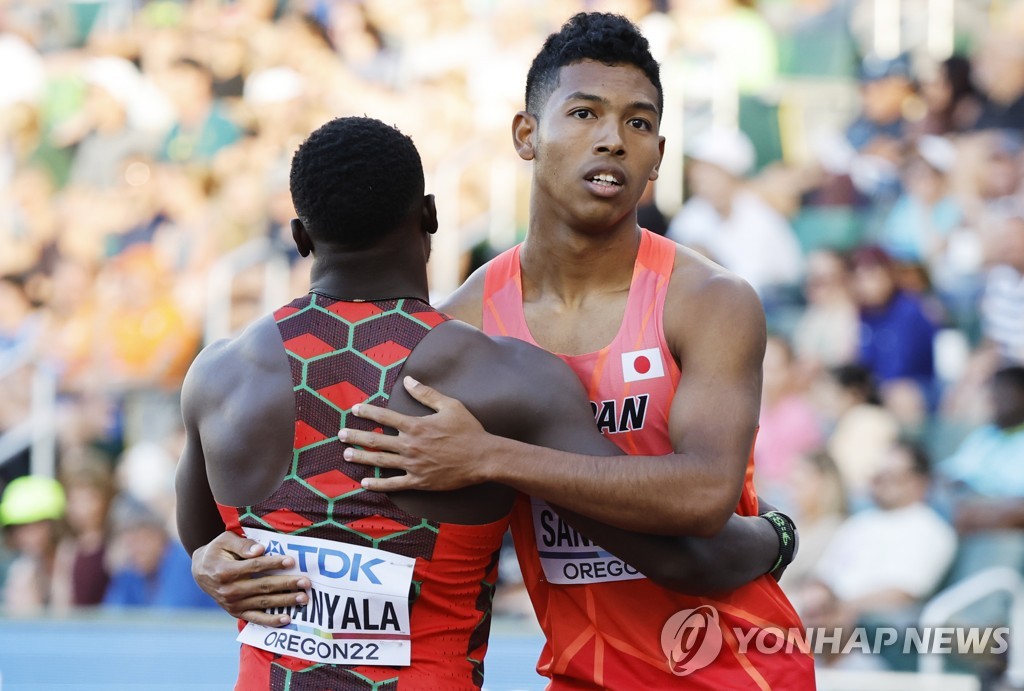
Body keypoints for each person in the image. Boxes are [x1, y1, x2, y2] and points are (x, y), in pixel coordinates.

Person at [191, 14, 813, 688]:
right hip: (583, 667)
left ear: (659, 155)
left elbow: (703, 501)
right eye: (584, 113)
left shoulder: (709, 299)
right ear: (526, 134)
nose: (611, 139)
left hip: (733, 663)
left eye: (638, 124)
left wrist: (492, 456)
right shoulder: (460, 326)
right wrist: (212, 558)